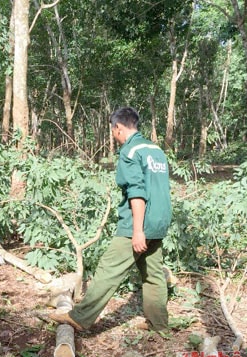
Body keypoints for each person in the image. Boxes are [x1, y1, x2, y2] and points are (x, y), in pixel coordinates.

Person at [50, 107, 172, 332]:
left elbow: (137, 192)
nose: (114, 136)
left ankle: (80, 317)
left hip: (139, 223)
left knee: (109, 268)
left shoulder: (131, 151)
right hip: (159, 221)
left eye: (113, 131)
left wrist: (137, 231)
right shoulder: (156, 151)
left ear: (118, 128)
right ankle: (159, 324)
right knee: (153, 273)